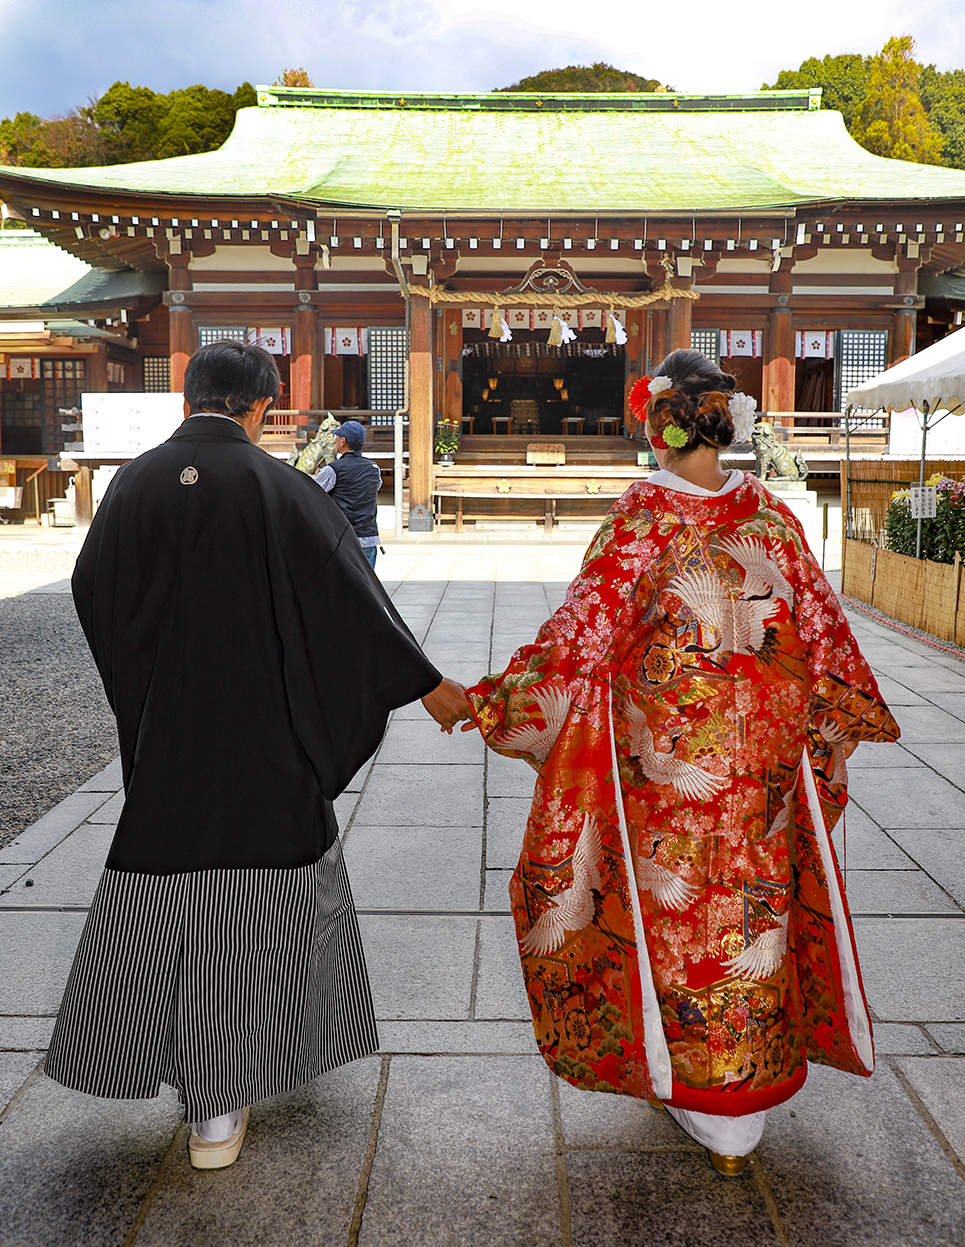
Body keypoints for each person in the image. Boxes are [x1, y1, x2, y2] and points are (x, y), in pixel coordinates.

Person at [457, 349, 900, 1175]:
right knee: (753, 911)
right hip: (764, 766)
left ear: (659, 428)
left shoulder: (644, 520)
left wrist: (489, 700)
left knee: (683, 917)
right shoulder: (773, 517)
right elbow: (829, 641)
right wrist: (818, 731)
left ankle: (703, 1088)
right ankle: (746, 1091)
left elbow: (580, 639)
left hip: (673, 773)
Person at [46, 341, 467, 1169]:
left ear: (188, 396)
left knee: (169, 897)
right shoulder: (279, 488)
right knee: (257, 909)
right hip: (265, 739)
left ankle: (194, 1084)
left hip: (169, 740)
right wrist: (426, 683)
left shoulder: (130, 484)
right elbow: (347, 599)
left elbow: (93, 591)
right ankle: (223, 1099)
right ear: (263, 407)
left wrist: (149, 687)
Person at [314, 420, 382, 569]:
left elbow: (311, 492)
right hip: (369, 537)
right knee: (367, 588)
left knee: (344, 589)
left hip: (344, 538)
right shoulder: (374, 468)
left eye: (337, 438)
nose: (335, 441)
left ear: (343, 441)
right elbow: (374, 488)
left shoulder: (333, 469)